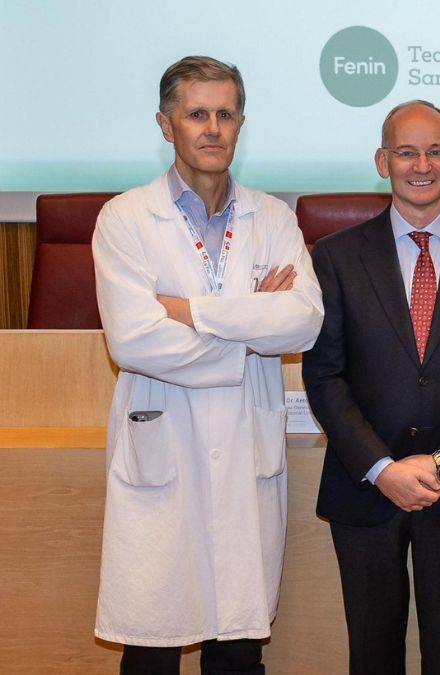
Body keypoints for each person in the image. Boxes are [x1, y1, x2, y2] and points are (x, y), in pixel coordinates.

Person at [93, 55, 324, 673]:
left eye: (226, 114)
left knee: (238, 653)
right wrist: (249, 327)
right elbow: (133, 341)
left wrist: (187, 311)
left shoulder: (272, 217)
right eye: (197, 114)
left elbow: (303, 321)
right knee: (152, 648)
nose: (213, 128)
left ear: (241, 124)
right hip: (162, 447)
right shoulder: (125, 218)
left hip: (246, 449)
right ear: (165, 124)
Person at [302, 100, 440, 674]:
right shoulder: (335, 257)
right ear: (383, 162)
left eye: (434, 151)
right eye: (406, 152)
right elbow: (324, 376)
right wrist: (383, 468)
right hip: (365, 488)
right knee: (372, 655)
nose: (421, 165)